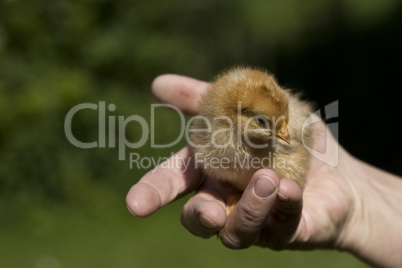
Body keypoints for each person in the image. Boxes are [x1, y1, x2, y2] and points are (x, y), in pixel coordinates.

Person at [126, 74, 402, 268]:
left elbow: (293, 130)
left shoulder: (278, 130)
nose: (281, 132)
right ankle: (241, 192)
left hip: (273, 170)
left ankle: (249, 192)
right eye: (263, 121)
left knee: (279, 169)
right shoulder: (214, 130)